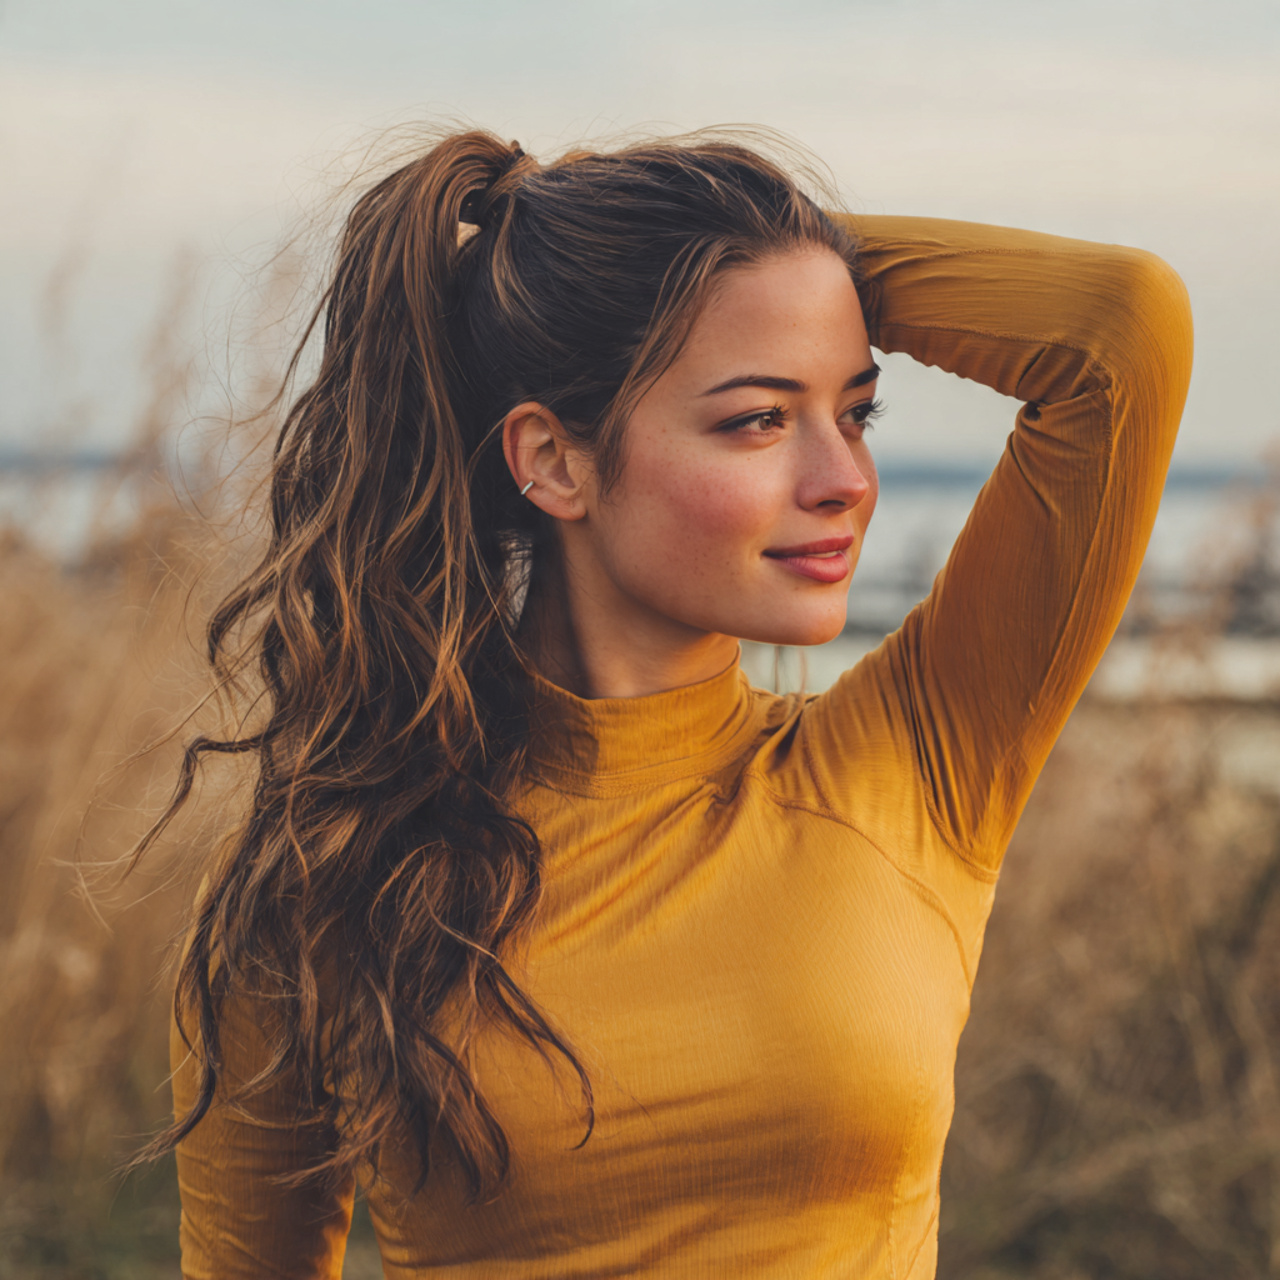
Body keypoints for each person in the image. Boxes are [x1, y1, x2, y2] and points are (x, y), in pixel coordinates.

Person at [153, 128, 1192, 1278]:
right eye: (757, 417)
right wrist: (554, 295)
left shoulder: (915, 762)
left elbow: (1119, 329)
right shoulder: (331, 867)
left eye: (855, 410)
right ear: (551, 459)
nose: (843, 478)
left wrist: (788, 280)